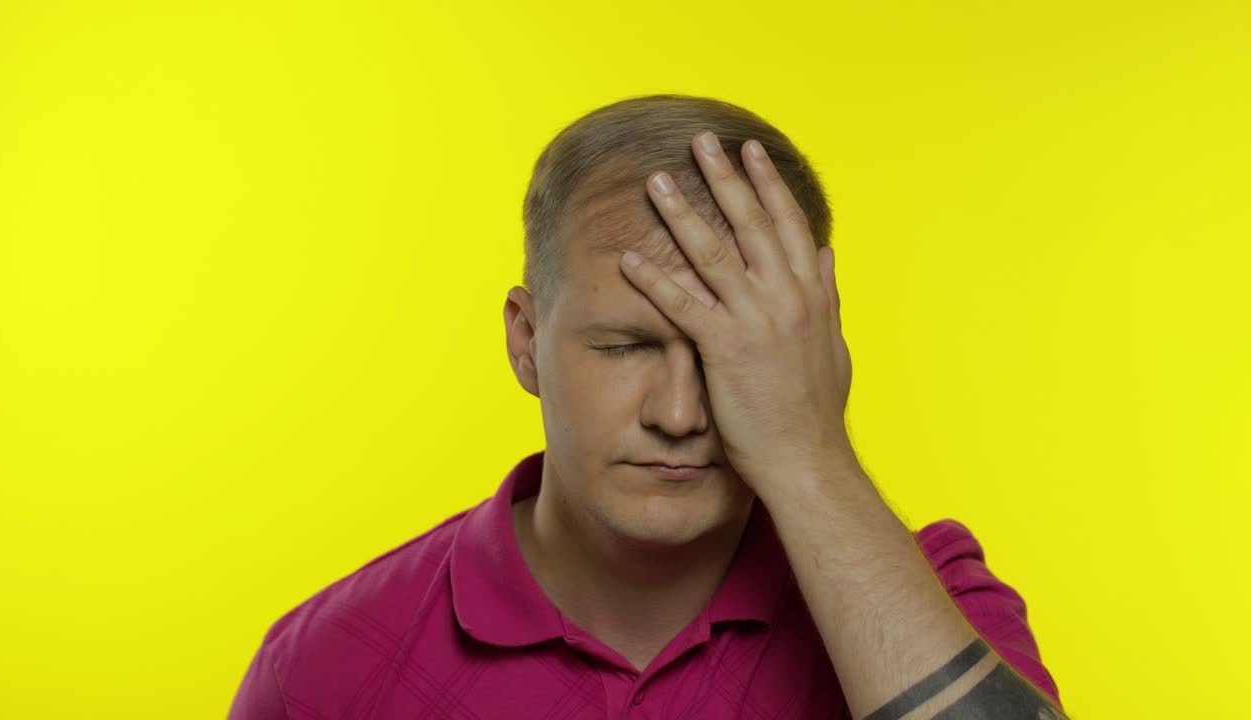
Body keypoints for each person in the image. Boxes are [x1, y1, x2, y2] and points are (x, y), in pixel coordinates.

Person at [229, 94, 1066, 719]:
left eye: (727, 355)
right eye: (625, 346)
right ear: (526, 341)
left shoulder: (935, 600)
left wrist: (809, 454)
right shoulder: (327, 666)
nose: (677, 413)